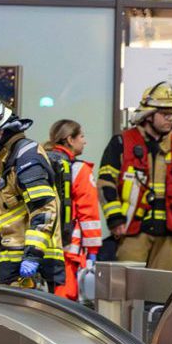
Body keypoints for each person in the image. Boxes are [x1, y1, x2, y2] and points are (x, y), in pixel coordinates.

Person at [98, 81, 172, 270]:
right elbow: (105, 182)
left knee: (160, 293)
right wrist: (115, 219)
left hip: (168, 232)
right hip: (133, 230)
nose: (170, 119)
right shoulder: (122, 142)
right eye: (164, 114)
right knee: (128, 291)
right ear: (148, 115)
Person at [0, 94, 64, 290]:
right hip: (14, 257)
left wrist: (33, 255)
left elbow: (43, 210)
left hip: (32, 262)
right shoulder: (5, 158)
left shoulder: (27, 158)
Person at [45, 120, 102, 301]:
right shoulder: (79, 169)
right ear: (70, 139)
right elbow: (89, 213)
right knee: (65, 299)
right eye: (82, 136)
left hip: (40, 244)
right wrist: (93, 251)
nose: (84, 141)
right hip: (69, 248)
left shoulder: (42, 161)